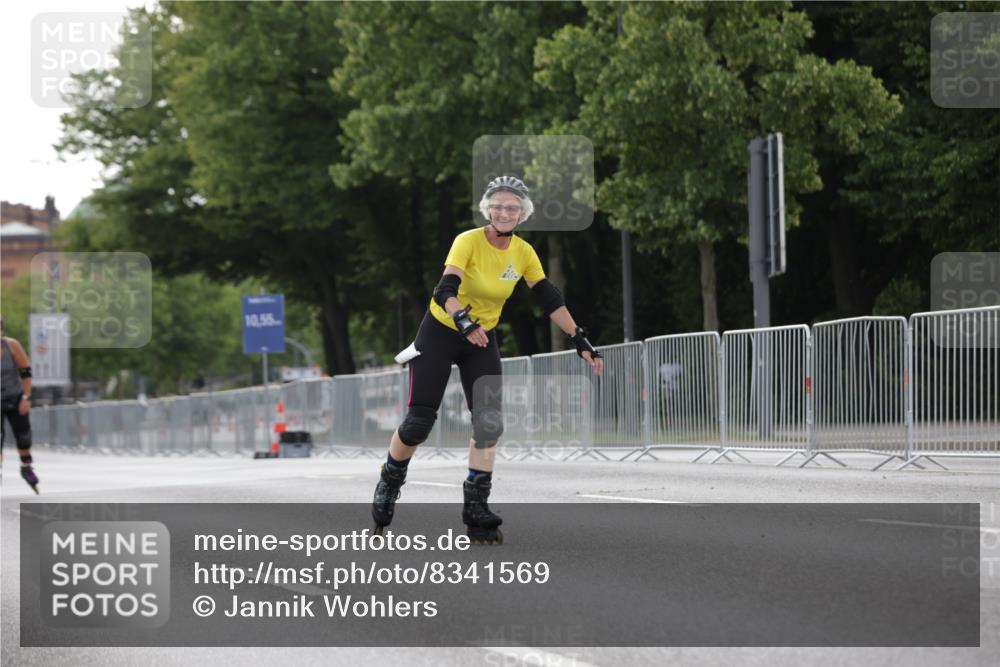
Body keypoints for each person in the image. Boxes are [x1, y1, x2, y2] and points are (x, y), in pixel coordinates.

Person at [371, 176, 603, 543]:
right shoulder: (467, 241)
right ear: (487, 209)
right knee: (418, 423)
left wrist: (579, 338)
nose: (504, 212)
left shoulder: (523, 253)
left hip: (481, 338)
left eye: (512, 207)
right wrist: (464, 321)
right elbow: (445, 289)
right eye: (497, 206)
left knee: (488, 422)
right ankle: (390, 479)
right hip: (442, 330)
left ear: (522, 214)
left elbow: (548, 298)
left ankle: (476, 508)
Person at [0, 317, 39, 493]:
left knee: (23, 436)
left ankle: (26, 466)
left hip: (15, 397)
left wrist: (26, 397)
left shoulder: (12, 346)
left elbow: (26, 372)